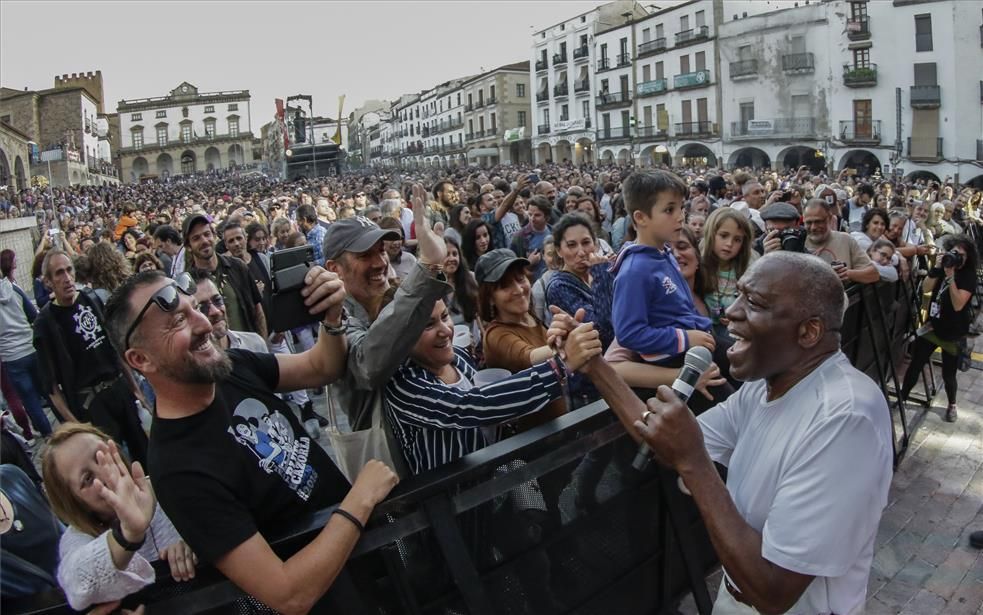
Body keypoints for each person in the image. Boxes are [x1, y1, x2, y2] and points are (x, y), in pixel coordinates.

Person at [572, 252, 893, 615]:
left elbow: (774, 591)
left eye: (754, 302)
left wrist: (693, 462)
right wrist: (594, 365)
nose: (730, 312)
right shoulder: (765, 386)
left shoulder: (845, 420)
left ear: (809, 331)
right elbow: (661, 439)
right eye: (738, 295)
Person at [103, 268, 399, 614]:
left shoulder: (232, 367)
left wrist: (332, 318)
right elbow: (288, 594)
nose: (204, 324)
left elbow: (321, 366)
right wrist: (360, 498)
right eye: (177, 322)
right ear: (140, 359)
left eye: (194, 309)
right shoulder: (177, 468)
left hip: (373, 573)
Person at [384, 298, 600, 475]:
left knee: (534, 520)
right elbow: (471, 405)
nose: (446, 331)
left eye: (444, 317)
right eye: (428, 325)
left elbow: (489, 410)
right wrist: (562, 365)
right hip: (453, 506)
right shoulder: (403, 383)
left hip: (501, 479)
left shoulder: (458, 356)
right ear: (402, 337)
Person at [323, 184, 450, 461]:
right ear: (335, 269)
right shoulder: (335, 321)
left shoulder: (392, 295)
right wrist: (427, 266)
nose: (380, 262)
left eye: (381, 251)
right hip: (390, 469)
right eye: (365, 255)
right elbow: (368, 364)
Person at [41, 423, 194, 611]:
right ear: (74, 502)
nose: (106, 473)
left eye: (101, 455)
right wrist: (128, 534)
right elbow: (75, 583)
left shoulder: (170, 484)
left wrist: (196, 540)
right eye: (88, 478)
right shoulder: (78, 537)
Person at [32, 250, 149, 465]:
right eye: (59, 273)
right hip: (91, 404)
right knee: (115, 463)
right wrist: (76, 425)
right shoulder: (45, 324)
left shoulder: (92, 299)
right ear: (48, 282)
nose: (67, 278)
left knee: (144, 450)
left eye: (69, 270)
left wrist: (135, 389)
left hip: (119, 388)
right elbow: (52, 389)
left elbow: (115, 348)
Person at [611, 170, 714, 365]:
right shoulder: (635, 270)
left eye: (681, 208)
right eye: (669, 210)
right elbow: (629, 333)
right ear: (641, 218)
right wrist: (685, 338)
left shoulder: (663, 253)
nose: (680, 217)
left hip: (693, 343)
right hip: (672, 357)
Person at [899, 234, 978, 422]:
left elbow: (959, 304)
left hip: (953, 332)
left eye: (961, 255)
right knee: (916, 364)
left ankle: (952, 404)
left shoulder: (968, 276)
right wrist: (936, 268)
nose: (957, 258)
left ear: (968, 258)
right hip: (933, 327)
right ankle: (902, 398)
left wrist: (951, 277)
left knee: (948, 374)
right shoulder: (943, 266)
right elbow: (926, 288)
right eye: (954, 253)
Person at [183, 213, 267, 339]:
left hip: (249, 350)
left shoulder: (238, 267)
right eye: (196, 238)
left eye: (207, 234)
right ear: (188, 246)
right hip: (217, 355)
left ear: (214, 236)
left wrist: (262, 345)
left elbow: (257, 310)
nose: (204, 241)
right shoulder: (187, 284)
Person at [0, 249, 53, 438]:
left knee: (29, 399)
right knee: (48, 390)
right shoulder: (14, 289)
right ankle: (65, 422)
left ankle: (48, 435)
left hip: (10, 357)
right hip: (29, 347)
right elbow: (33, 315)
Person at [701, 209, 756, 340]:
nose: (729, 244)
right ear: (711, 234)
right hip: (704, 328)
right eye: (724, 235)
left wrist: (739, 315)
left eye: (737, 240)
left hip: (733, 329)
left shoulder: (746, 270)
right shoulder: (699, 266)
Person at [802, 199, 879, 284]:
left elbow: (873, 274)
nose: (813, 227)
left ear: (830, 218)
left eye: (818, 221)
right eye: (808, 223)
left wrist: (846, 274)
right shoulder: (795, 244)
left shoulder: (845, 240)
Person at [442, 236, 479, 339]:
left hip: (472, 341)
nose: (452, 258)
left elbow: (479, 315)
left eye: (455, 254)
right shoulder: (433, 286)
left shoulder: (471, 278)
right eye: (447, 254)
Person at [509, 196, 553, 280]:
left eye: (537, 215)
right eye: (530, 214)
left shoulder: (555, 233)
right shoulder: (520, 237)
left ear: (547, 217)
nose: (532, 218)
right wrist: (528, 264)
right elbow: (512, 267)